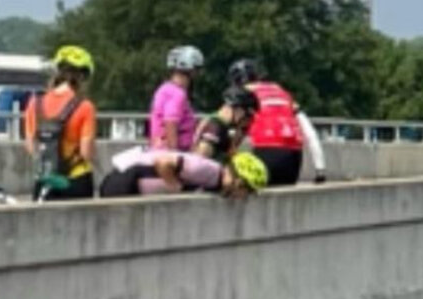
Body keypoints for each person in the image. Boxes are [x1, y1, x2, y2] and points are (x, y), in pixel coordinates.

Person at [228, 58, 327, 186]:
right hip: (294, 160)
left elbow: (234, 133)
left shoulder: (245, 94)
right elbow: (310, 133)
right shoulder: (282, 92)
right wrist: (320, 170)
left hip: (266, 153)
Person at [23, 45, 98, 201]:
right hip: (76, 180)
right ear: (82, 77)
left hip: (45, 179)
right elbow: (86, 153)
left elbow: (31, 146)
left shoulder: (35, 103)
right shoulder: (85, 107)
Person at [98, 148, 268, 200]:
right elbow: (163, 163)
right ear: (238, 181)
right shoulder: (207, 170)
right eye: (248, 191)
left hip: (131, 184)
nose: (245, 197)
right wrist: (177, 190)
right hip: (126, 181)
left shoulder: (215, 180)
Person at [149, 45, 204, 152]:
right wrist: (174, 154)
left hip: (158, 149)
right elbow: (170, 122)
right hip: (173, 153)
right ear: (191, 70)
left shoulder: (164, 89)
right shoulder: (178, 94)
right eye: (197, 69)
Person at [193, 87, 259, 163]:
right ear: (238, 109)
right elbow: (201, 159)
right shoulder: (215, 127)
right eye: (247, 115)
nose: (248, 121)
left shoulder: (218, 124)